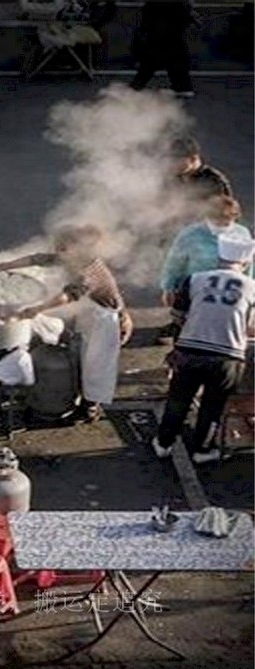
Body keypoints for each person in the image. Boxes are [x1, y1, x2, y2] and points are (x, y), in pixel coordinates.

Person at [0, 226, 134, 422]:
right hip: (89, 315)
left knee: (96, 365)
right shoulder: (69, 258)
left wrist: (37, 309)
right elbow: (37, 259)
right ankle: (71, 390)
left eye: (62, 248)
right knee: (81, 357)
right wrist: (4, 266)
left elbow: (67, 296)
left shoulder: (89, 270)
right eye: (57, 247)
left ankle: (91, 407)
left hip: (104, 320)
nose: (58, 252)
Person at [152, 234, 255, 464]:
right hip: (228, 356)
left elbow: (177, 317)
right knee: (213, 406)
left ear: (220, 256)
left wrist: (177, 347)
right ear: (245, 262)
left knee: (178, 400)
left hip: (190, 350)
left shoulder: (195, 279)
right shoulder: (252, 287)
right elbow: (251, 326)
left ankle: (163, 443)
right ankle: (202, 450)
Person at [159, 195, 251, 339]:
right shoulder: (191, 234)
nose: (224, 224)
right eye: (218, 220)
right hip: (195, 293)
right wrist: (168, 287)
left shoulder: (242, 233)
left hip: (230, 294)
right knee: (190, 330)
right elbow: (174, 262)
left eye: (228, 220)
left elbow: (250, 264)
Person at [129, 0, 199, 97]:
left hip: (163, 26)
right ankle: (183, 87)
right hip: (168, 25)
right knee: (171, 55)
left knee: (155, 56)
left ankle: (137, 85)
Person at [170, 137, 233, 204]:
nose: (175, 163)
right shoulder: (175, 178)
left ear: (193, 159)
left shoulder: (213, 180)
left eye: (179, 160)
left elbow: (226, 209)